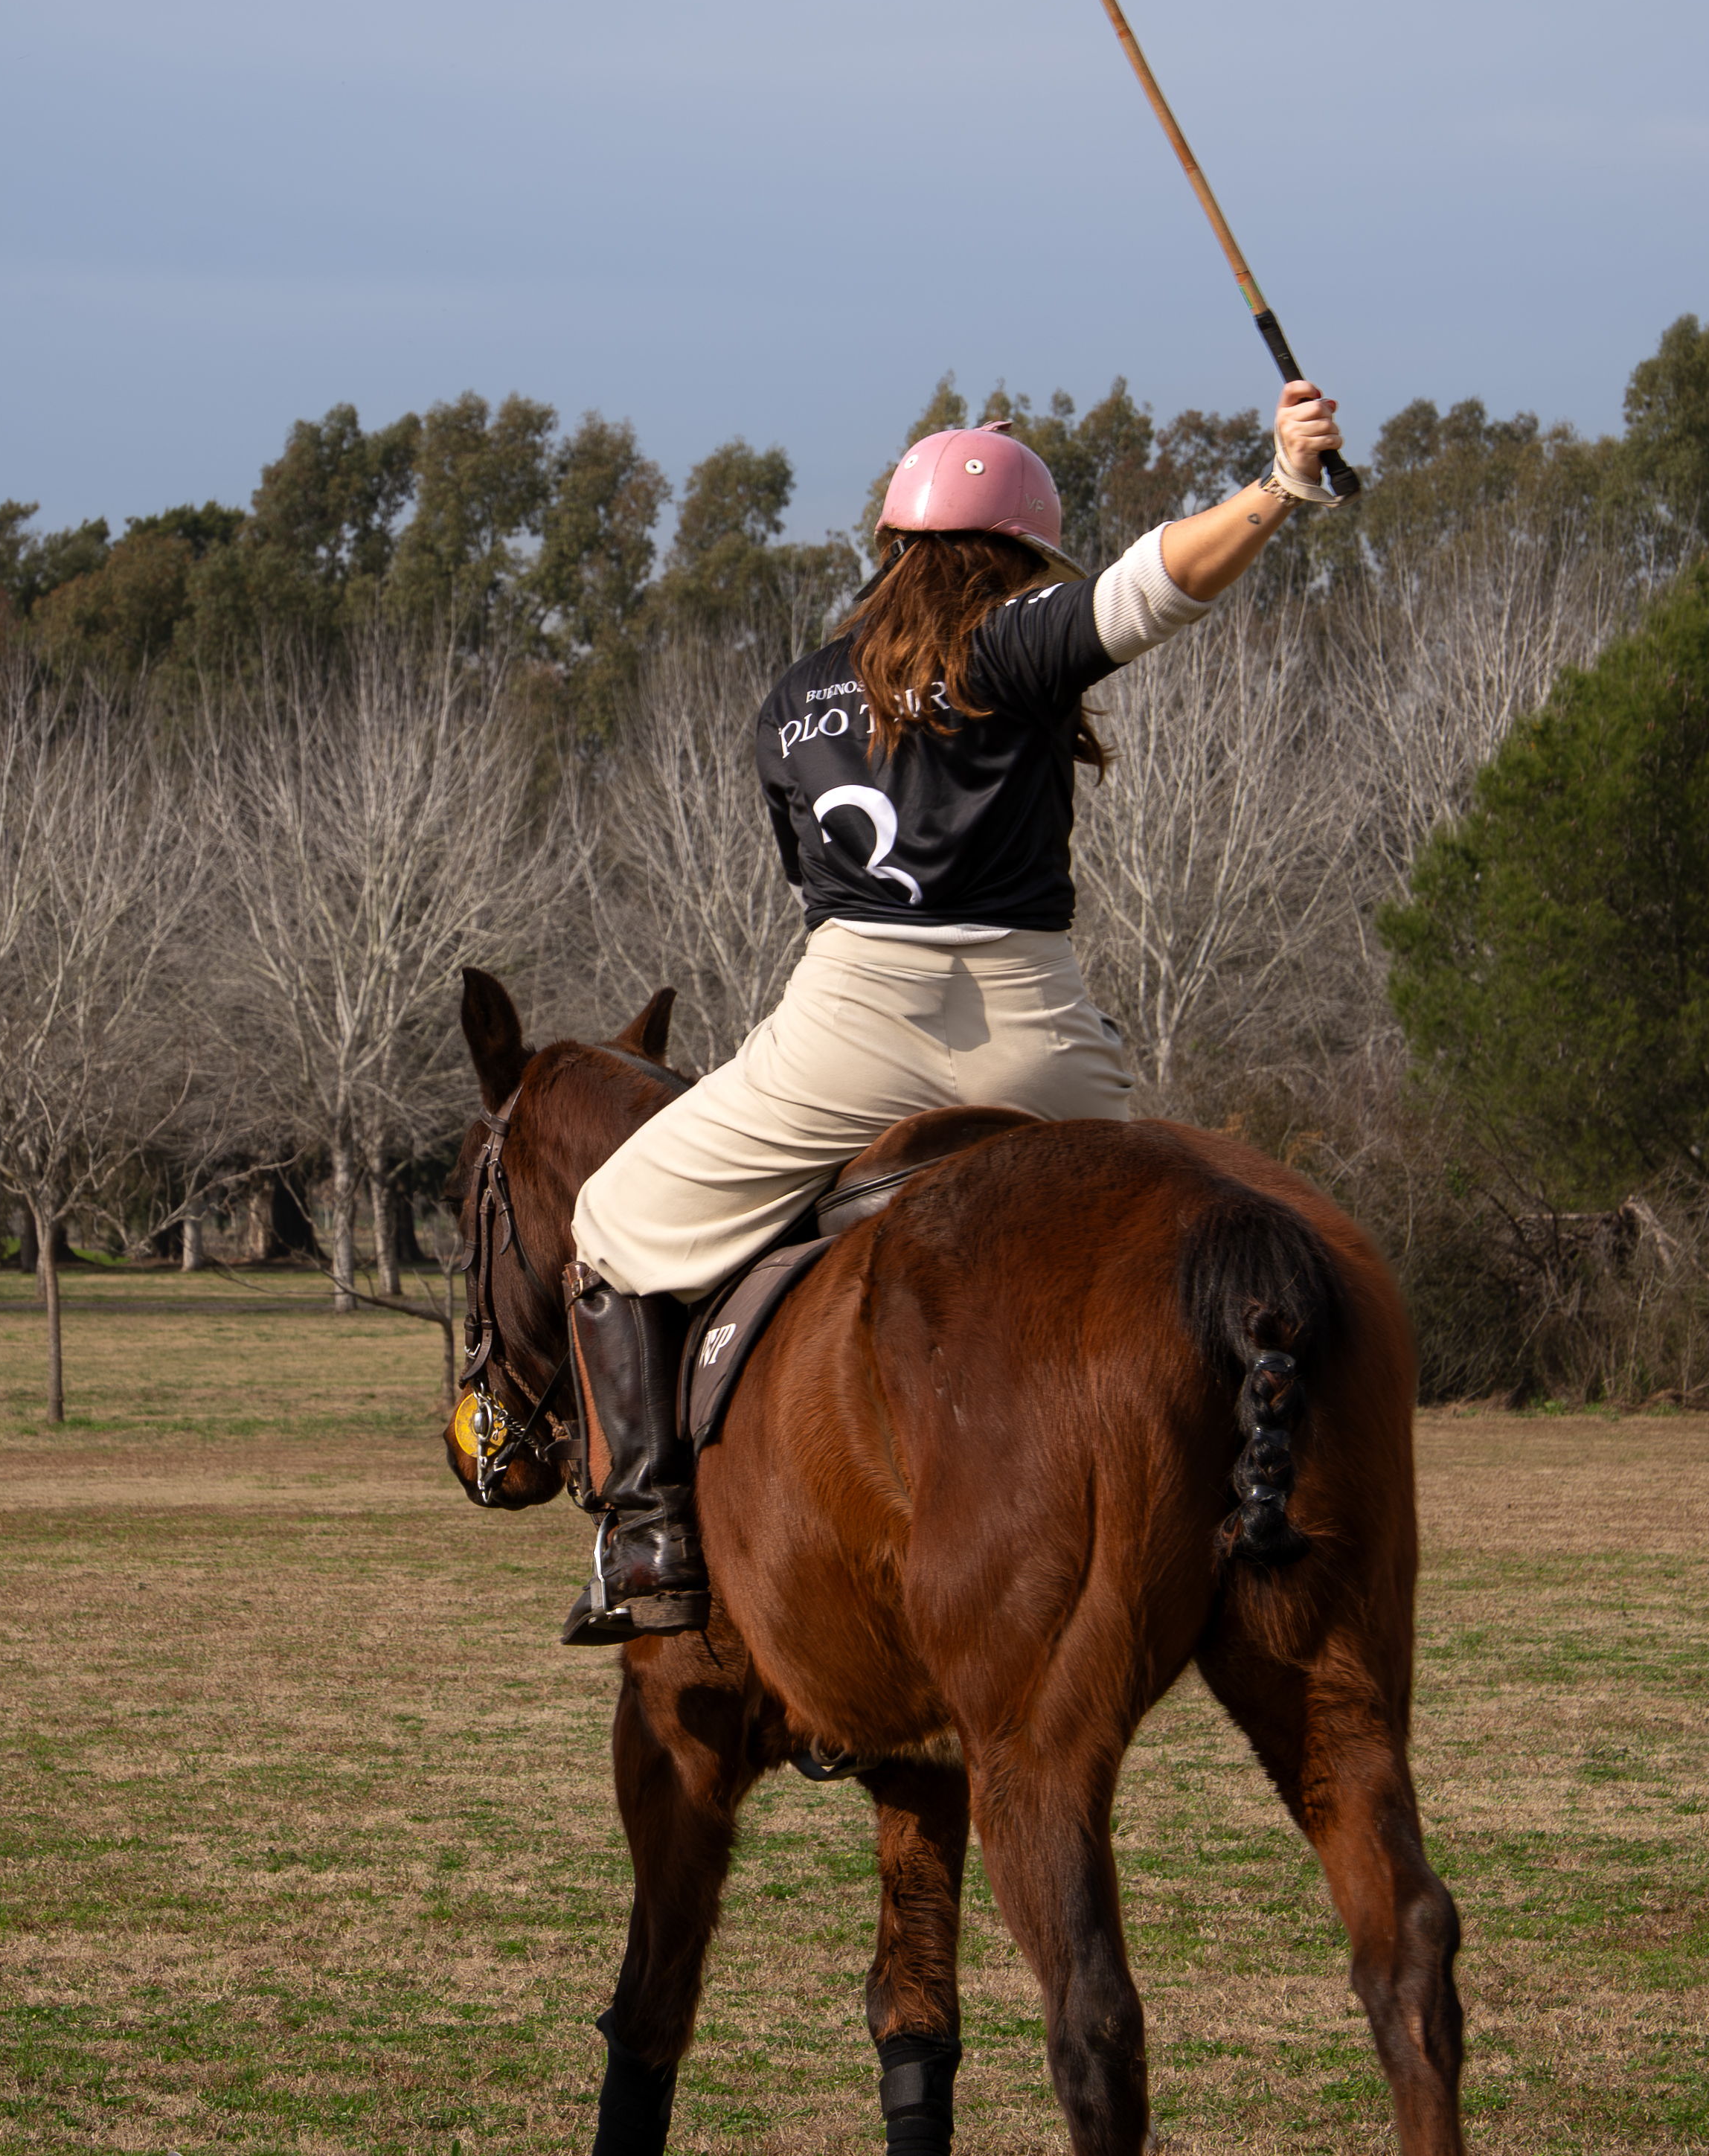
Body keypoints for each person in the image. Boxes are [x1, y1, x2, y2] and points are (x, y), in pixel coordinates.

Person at [556, 376, 1349, 1644]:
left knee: (611, 1223)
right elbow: (1155, 584)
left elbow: (813, 890)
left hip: (849, 1019)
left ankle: (648, 1539)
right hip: (1038, 1034)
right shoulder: (1016, 641)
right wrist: (1277, 485)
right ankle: (1233, 1503)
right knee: (1165, 1245)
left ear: (891, 551)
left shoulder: (794, 699)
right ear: (1020, 558)